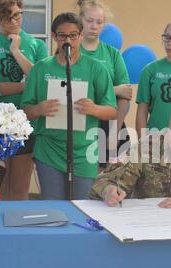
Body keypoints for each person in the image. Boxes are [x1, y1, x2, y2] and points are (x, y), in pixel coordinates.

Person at [21, 12, 117, 200]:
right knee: (54, 207)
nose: (68, 40)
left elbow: (112, 110)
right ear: (55, 37)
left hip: (84, 150)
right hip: (49, 149)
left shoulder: (96, 68)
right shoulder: (41, 68)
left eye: (73, 35)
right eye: (62, 35)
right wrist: (39, 109)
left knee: (83, 208)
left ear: (81, 36)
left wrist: (94, 109)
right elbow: (25, 110)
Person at [0, 0, 48, 200]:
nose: (14, 20)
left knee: (19, 187)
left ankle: (18, 229)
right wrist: (25, 86)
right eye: (8, 17)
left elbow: (41, 82)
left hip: (27, 122)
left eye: (18, 14)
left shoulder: (36, 44)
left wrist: (16, 51)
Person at [78, 0, 131, 166]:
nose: (94, 26)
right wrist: (114, 90)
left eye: (99, 22)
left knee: (108, 180)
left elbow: (126, 95)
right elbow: (72, 91)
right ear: (80, 21)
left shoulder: (112, 54)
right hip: (79, 121)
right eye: (89, 21)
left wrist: (115, 131)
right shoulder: (70, 51)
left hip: (109, 124)